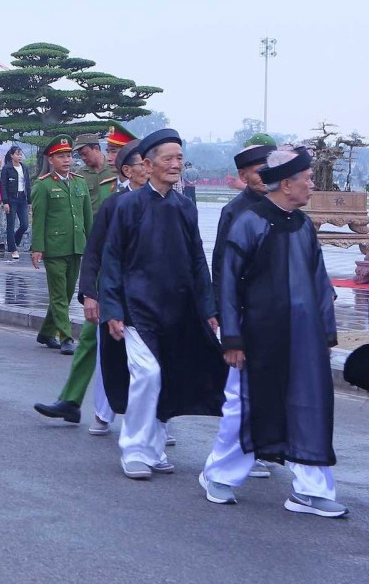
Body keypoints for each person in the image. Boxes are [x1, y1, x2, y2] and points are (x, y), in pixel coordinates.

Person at [199, 147, 346, 517]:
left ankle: (311, 490)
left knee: (309, 405)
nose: (312, 185)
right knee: (245, 407)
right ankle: (219, 475)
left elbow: (318, 282)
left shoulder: (302, 225)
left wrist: (325, 334)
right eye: (307, 179)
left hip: (303, 337)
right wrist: (231, 337)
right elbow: (228, 283)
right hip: (256, 335)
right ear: (285, 184)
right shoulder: (248, 222)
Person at [97, 128, 226, 480]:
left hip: (178, 309)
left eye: (180, 158)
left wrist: (209, 307)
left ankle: (154, 448)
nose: (175, 165)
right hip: (136, 309)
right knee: (147, 374)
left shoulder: (185, 207)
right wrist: (111, 309)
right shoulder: (127, 206)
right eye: (168, 159)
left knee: (166, 378)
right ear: (147, 164)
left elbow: (198, 258)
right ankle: (134, 449)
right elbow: (111, 261)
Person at [33, 139, 145, 429]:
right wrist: (90, 292)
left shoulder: (171, 203)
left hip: (148, 291)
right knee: (89, 338)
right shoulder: (115, 200)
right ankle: (71, 401)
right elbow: (96, 245)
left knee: (148, 358)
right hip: (111, 281)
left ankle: (156, 417)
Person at [30, 136, 92, 355]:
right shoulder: (44, 185)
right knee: (58, 294)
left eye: (68, 156)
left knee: (65, 294)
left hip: (76, 246)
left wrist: (92, 245)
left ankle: (46, 332)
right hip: (54, 247)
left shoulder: (79, 181)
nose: (66, 160)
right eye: (61, 156)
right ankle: (65, 337)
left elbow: (86, 217)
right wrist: (37, 248)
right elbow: (39, 219)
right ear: (51, 159)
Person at [211, 134, 277, 282]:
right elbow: (220, 264)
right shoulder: (233, 211)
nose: (266, 176)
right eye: (259, 172)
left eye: (270, 169)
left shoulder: (285, 207)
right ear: (243, 176)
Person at [0, 146, 31, 260]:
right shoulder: (7, 169)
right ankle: (13, 249)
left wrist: (29, 201)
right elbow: (3, 186)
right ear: (12, 155)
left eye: (20, 154)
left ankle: (14, 242)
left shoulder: (25, 168)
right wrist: (5, 202)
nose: (19, 156)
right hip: (11, 199)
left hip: (22, 198)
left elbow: (28, 184)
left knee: (24, 225)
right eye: (17, 154)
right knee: (10, 224)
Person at [74, 133, 115, 212]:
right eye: (80, 155)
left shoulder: (114, 169)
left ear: (96, 148)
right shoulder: (79, 175)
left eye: (85, 154)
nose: (83, 158)